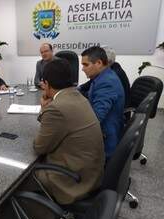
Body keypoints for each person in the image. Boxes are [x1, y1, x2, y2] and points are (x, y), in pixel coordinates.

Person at [34, 58, 105, 205]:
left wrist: (44, 109)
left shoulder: (56, 107)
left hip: (74, 180)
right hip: (92, 173)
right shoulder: (78, 96)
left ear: (46, 83)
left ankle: (35, 214)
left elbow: (39, 147)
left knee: (22, 176)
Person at [80, 46, 125, 160]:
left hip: (105, 140)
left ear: (99, 63)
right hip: (105, 131)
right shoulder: (103, 76)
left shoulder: (106, 83)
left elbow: (95, 118)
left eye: (85, 65)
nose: (82, 69)